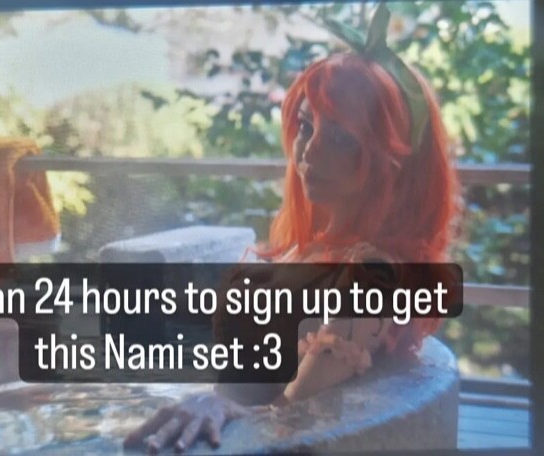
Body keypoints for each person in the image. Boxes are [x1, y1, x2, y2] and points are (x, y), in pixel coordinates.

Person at [124, 4, 458, 453]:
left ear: (389, 163)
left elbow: (296, 419)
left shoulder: (372, 277)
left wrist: (214, 404)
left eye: (341, 138)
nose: (310, 152)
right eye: (305, 125)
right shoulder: (309, 246)